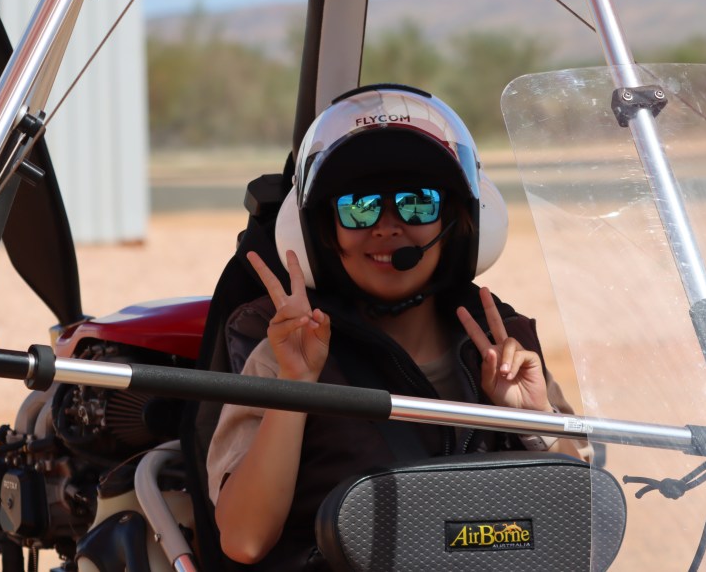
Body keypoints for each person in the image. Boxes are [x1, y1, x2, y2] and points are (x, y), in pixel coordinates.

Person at [207, 84, 587, 568]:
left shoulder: (505, 350)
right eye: (359, 206)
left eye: (418, 202)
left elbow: (581, 520)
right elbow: (244, 540)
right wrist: (295, 385)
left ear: (454, 222)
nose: (387, 226)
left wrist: (533, 418)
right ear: (324, 233)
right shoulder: (282, 354)